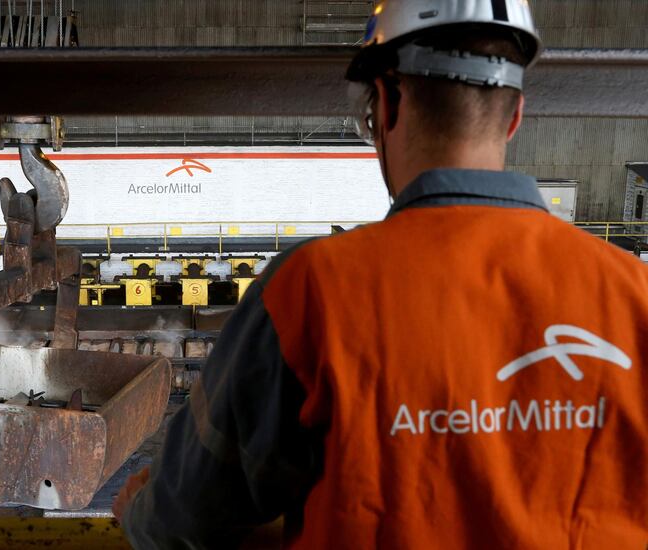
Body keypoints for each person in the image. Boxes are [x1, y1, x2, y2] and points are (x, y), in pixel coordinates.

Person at [115, 1, 648, 547]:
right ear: (514, 116)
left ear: (386, 105)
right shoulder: (634, 296)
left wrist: (137, 510)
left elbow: (180, 520)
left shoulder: (313, 290)